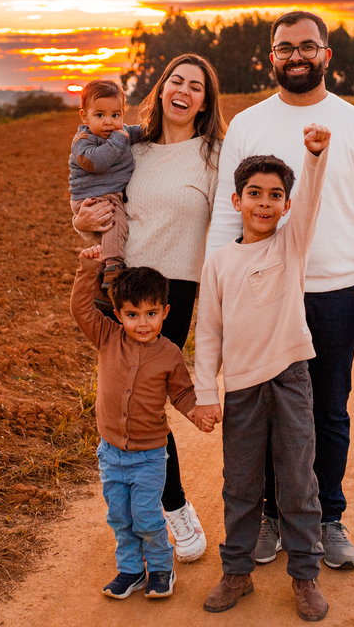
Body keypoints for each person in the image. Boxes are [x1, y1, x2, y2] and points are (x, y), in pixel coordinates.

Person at [205, 11, 354, 571]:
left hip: (333, 293)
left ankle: (326, 519)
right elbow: (227, 207)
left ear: (326, 56)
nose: (296, 55)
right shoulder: (247, 123)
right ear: (272, 56)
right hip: (258, 292)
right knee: (262, 411)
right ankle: (269, 518)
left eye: (307, 46)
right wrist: (218, 284)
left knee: (328, 412)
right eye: (285, 47)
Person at [72, 54, 228, 563]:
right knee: (129, 401)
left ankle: (174, 509)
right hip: (122, 286)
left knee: (150, 400)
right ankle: (167, 508)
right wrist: (82, 224)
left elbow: (238, 220)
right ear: (161, 90)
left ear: (206, 101)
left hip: (175, 291)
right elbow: (98, 199)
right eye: (175, 81)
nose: (184, 91)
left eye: (196, 87)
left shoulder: (216, 154)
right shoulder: (131, 146)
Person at [194, 124, 332, 622]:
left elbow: (312, 199)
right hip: (244, 388)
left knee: (297, 479)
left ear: (287, 206)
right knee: (242, 482)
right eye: (255, 194)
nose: (265, 203)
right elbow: (208, 333)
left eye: (276, 196)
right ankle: (237, 572)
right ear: (237, 200)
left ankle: (305, 576)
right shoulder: (219, 263)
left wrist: (313, 157)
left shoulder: (291, 246)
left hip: (291, 378)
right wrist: (206, 393)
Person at [70, 248, 203, 599]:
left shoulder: (170, 354)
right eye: (132, 314)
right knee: (120, 517)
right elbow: (81, 310)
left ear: (165, 312)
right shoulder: (108, 337)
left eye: (151, 313)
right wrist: (87, 270)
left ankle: (160, 568)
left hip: (149, 456)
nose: (142, 323)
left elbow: (183, 394)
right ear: (118, 314)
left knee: (145, 516)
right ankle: (130, 570)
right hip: (111, 453)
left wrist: (197, 414)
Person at [68, 79, 144, 297]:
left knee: (111, 231)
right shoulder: (83, 141)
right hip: (91, 196)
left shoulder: (121, 132)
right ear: (85, 116)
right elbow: (97, 162)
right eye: (99, 115)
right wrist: (119, 140)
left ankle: (103, 280)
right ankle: (113, 266)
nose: (109, 122)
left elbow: (141, 132)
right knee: (114, 220)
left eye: (115, 115)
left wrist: (156, 129)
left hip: (107, 193)